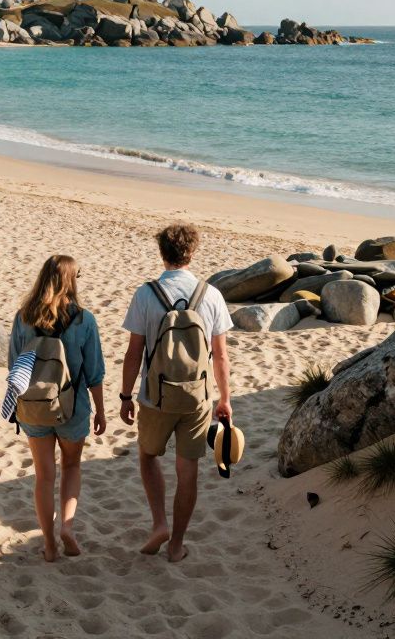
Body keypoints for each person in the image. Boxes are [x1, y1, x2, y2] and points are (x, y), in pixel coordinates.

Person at [120, 223, 233, 563]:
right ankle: (176, 545)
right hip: (197, 398)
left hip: (155, 397)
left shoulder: (146, 294)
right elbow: (222, 355)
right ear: (192, 253)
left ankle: (159, 523)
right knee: (189, 471)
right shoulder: (210, 294)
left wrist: (126, 396)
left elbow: (133, 352)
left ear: (162, 253)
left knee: (148, 455)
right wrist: (224, 399)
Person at [8, 255, 107, 562]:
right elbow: (94, 372)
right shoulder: (83, 320)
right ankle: (66, 526)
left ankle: (49, 544)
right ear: (71, 280)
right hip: (72, 406)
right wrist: (101, 411)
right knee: (72, 466)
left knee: (43, 476)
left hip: (34, 406)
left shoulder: (24, 317)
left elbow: (13, 366)